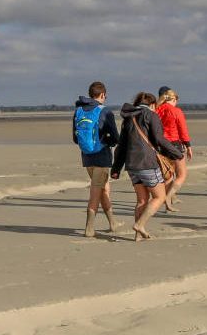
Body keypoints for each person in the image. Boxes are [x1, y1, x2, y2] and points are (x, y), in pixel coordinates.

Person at [110, 91, 185, 241]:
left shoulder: (128, 118)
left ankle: (138, 236)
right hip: (147, 163)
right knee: (160, 196)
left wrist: (116, 169)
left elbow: (121, 146)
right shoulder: (151, 115)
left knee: (141, 200)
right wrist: (176, 153)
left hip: (131, 165)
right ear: (152, 104)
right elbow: (159, 139)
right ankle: (140, 225)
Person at [73, 81, 122, 237]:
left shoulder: (79, 110)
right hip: (102, 157)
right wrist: (108, 143)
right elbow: (115, 137)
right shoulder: (105, 111)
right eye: (105, 96)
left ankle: (112, 222)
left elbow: (75, 138)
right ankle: (89, 228)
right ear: (102, 95)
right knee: (96, 192)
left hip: (87, 157)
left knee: (102, 190)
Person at [155, 86, 191, 212]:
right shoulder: (176, 111)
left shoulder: (157, 109)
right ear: (174, 99)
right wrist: (188, 145)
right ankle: (168, 197)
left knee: (168, 175)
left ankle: (168, 202)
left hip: (160, 145)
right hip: (174, 144)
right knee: (181, 174)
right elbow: (183, 130)